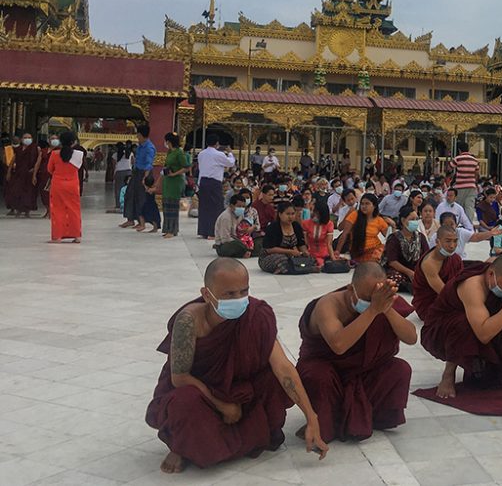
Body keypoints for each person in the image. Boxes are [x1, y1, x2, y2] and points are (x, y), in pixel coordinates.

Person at [145, 258, 327, 473]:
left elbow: (283, 367)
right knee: (185, 401)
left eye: (243, 291)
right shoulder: (189, 321)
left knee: (271, 380)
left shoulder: (256, 315)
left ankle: (234, 437)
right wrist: (221, 405)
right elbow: (180, 377)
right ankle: (181, 445)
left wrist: (311, 416)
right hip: (201, 393)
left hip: (238, 389)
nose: (239, 299)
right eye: (229, 294)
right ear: (206, 294)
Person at [296, 263, 415, 442]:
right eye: (368, 298)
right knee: (316, 376)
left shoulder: (383, 301)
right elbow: (339, 345)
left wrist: (387, 308)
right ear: (351, 289)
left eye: (377, 297)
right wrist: (374, 310)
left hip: (363, 371)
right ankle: (327, 421)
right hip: (329, 372)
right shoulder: (329, 305)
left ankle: (365, 416)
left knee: (399, 369)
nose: (373, 302)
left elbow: (412, 337)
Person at [421, 254, 502, 398]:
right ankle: (448, 373)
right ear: (490, 274)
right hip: (443, 330)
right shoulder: (472, 286)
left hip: (482, 322)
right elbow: (483, 334)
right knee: (463, 323)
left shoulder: (499, 277)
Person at [412, 226, 465, 320]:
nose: (452, 246)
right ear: (437, 242)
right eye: (448, 241)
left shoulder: (455, 258)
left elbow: (461, 283)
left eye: (455, 241)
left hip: (451, 297)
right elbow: (443, 292)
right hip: (430, 305)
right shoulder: (429, 263)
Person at [46, 130, 83, 243]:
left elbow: (49, 169)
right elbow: (78, 168)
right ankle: (76, 236)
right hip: (72, 185)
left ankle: (57, 236)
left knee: (57, 209)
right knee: (74, 209)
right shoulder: (78, 155)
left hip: (58, 184)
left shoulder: (54, 154)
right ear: (73, 142)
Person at [381, 204, 429, 291]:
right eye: (412, 219)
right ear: (403, 220)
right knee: (394, 278)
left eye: (417, 219)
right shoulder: (394, 238)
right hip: (398, 270)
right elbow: (392, 262)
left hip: (415, 270)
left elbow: (427, 257)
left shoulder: (420, 237)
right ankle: (407, 286)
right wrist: (408, 272)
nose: (415, 222)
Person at [196, 135, 236, 239]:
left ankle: (203, 231)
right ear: (217, 144)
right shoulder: (219, 154)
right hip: (214, 182)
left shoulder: (201, 154)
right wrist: (230, 153)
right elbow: (230, 163)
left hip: (203, 181)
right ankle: (212, 232)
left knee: (204, 206)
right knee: (215, 207)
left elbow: (202, 168)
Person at [259, 201, 315, 274]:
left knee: (310, 259)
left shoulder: (296, 226)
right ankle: (298, 269)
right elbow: (269, 249)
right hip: (271, 256)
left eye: (292, 214)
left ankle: (294, 269)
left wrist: (304, 252)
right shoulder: (273, 227)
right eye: (287, 214)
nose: (290, 217)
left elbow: (301, 244)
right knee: (282, 260)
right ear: (280, 214)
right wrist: (290, 251)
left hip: (292, 255)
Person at [336, 192, 391, 263]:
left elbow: (389, 238)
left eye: (367, 204)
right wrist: (337, 252)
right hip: (358, 251)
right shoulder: (354, 215)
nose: (364, 206)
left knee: (383, 251)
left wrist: (393, 225)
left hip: (375, 249)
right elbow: (344, 234)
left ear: (374, 206)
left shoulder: (379, 220)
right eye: (362, 204)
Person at [122, 124, 155, 228]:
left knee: (141, 197)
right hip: (136, 172)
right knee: (130, 194)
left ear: (141, 135)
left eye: (137, 135)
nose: (137, 137)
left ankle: (142, 222)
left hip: (144, 173)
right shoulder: (140, 146)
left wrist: (144, 178)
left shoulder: (149, 148)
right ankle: (130, 219)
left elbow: (149, 165)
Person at [430, 211, 501, 260]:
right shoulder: (435, 237)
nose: (449, 227)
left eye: (452, 224)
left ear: (456, 224)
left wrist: (490, 233)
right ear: (441, 225)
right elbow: (432, 255)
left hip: (461, 263)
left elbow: (476, 237)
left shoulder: (461, 232)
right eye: (446, 225)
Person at [5, 129, 39, 217]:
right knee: (16, 191)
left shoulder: (35, 148)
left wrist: (34, 172)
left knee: (29, 193)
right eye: (25, 137)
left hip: (29, 173)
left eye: (29, 137)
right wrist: (9, 172)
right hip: (19, 174)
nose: (27, 139)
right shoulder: (18, 149)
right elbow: (13, 160)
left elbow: (38, 161)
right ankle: (18, 210)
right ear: (22, 139)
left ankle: (27, 211)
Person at [161, 133, 189, 239]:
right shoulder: (169, 152)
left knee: (172, 205)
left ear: (169, 141)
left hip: (175, 181)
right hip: (167, 181)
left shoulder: (179, 153)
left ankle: (172, 230)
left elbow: (186, 167)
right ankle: (167, 228)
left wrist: (174, 173)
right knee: (166, 204)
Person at [450, 141, 479, 226]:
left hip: (460, 186)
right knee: (469, 206)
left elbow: (450, 167)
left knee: (459, 205)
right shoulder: (475, 160)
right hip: (471, 186)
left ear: (459, 150)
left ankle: (458, 224)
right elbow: (477, 173)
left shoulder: (458, 158)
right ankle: (468, 226)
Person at [302, 197, 336, 267]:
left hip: (325, 255)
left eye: (315, 212)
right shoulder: (305, 223)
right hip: (310, 255)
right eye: (311, 210)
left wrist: (334, 260)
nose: (312, 213)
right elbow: (305, 243)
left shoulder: (329, 224)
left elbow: (329, 244)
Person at [112, 142, 132, 211]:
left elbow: (114, 165)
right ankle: (129, 204)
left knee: (118, 189)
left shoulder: (115, 155)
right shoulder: (130, 154)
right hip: (128, 172)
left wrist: (113, 174)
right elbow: (133, 162)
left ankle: (118, 205)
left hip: (119, 172)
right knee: (129, 188)